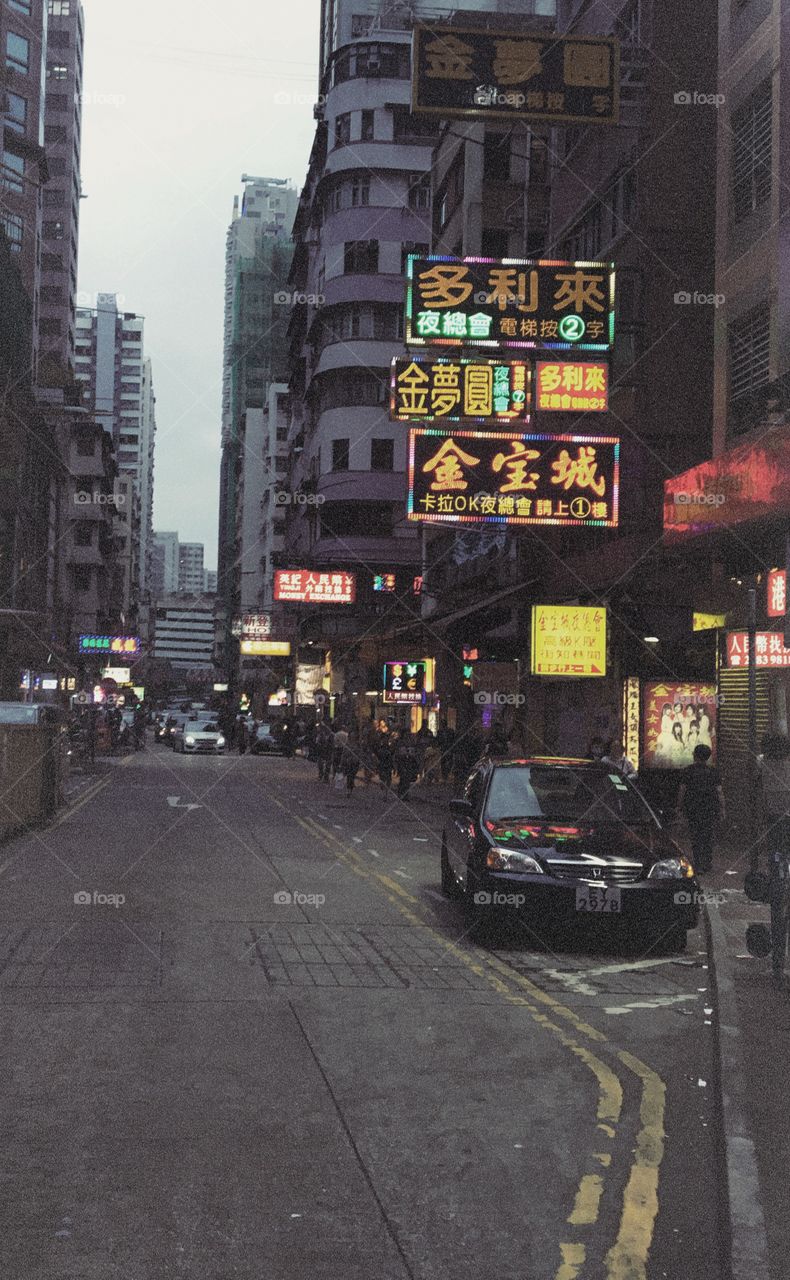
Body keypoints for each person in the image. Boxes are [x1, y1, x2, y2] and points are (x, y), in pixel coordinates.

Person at [676, 743, 725, 873]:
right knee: (707, 835)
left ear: (695, 755)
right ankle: (707, 863)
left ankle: (698, 864)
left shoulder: (688, 771)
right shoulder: (713, 772)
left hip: (693, 808)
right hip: (709, 808)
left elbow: (682, 790)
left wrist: (679, 806)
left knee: (695, 836)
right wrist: (722, 808)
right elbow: (719, 792)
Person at [758, 733, 790, 857]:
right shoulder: (786, 765)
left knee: (773, 841)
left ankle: (775, 863)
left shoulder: (762, 762)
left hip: (770, 809)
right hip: (785, 810)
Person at [395, 732, 419, 800]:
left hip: (409, 763)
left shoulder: (411, 744)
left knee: (407, 780)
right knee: (403, 779)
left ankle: (406, 794)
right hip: (402, 763)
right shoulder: (400, 743)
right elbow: (398, 754)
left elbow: (414, 754)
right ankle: (401, 793)